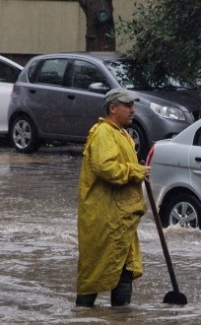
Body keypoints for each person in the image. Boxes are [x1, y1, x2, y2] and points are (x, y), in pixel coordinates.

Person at [75, 88, 150, 308]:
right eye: (128, 106)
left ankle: (119, 322)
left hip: (121, 218)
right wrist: (136, 171)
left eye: (133, 106)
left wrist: (138, 170)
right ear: (113, 108)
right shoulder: (103, 133)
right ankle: (84, 316)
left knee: (124, 267)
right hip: (105, 218)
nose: (132, 110)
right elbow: (105, 168)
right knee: (96, 268)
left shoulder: (122, 133)